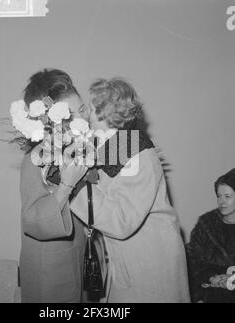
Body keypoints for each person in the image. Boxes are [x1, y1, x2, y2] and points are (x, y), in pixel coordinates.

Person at [70, 78, 190, 303]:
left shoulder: (137, 151)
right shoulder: (111, 148)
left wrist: (73, 188)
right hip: (130, 260)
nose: (86, 114)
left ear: (106, 112)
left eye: (92, 107)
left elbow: (121, 221)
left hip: (150, 261)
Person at [19, 69, 89, 303]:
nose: (83, 120)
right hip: (49, 271)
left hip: (79, 258)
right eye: (70, 117)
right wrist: (66, 185)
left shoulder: (78, 149)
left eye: (82, 110)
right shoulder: (35, 159)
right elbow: (34, 221)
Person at [187, 168, 235, 303]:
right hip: (209, 293)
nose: (221, 201)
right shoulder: (205, 224)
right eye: (219, 196)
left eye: (227, 197)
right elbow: (192, 262)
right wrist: (212, 277)